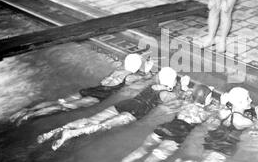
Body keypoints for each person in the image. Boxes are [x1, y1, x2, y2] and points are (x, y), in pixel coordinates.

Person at [102, 83, 216, 162]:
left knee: (140, 150)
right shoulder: (205, 114)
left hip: (163, 128)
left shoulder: (184, 103)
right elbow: (211, 125)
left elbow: (177, 101)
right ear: (206, 99)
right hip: (176, 136)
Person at [37, 67, 188, 151]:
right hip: (134, 112)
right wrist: (183, 87)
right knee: (103, 126)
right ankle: (70, 133)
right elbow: (180, 102)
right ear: (171, 81)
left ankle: (52, 132)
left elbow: (150, 79)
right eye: (175, 79)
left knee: (91, 120)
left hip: (125, 104)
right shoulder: (166, 94)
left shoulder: (152, 85)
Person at [9, 54, 153, 126]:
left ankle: (27, 110)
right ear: (136, 67)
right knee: (63, 107)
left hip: (90, 90)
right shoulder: (130, 77)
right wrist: (147, 70)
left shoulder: (119, 68)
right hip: (96, 97)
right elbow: (146, 79)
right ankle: (31, 116)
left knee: (60, 101)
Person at [167, 87, 258, 162]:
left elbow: (219, 112)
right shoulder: (245, 121)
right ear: (239, 103)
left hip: (212, 141)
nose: (251, 100)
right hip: (224, 147)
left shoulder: (224, 112)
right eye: (248, 98)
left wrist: (223, 103)